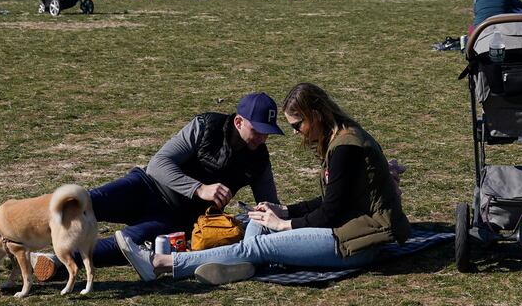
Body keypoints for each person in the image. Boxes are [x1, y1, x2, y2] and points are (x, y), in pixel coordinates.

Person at [116, 84, 409, 286]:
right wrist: (282, 210)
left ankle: (161, 263)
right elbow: (333, 200)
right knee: (260, 222)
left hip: (355, 242)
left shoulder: (345, 146)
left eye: (297, 125)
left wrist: (284, 223)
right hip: (347, 229)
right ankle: (243, 264)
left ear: (315, 116)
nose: (296, 133)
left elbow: (331, 212)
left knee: (259, 244)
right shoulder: (341, 139)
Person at [36, 93, 282, 279]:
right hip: (146, 186)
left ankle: (53, 263)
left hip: (176, 219)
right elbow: (158, 164)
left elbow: (270, 204)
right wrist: (199, 189)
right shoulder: (206, 126)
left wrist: (272, 216)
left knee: (124, 246)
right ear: (239, 122)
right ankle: (16, 233)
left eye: (267, 133)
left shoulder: (259, 159)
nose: (262, 138)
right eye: (257, 130)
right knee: (84, 203)